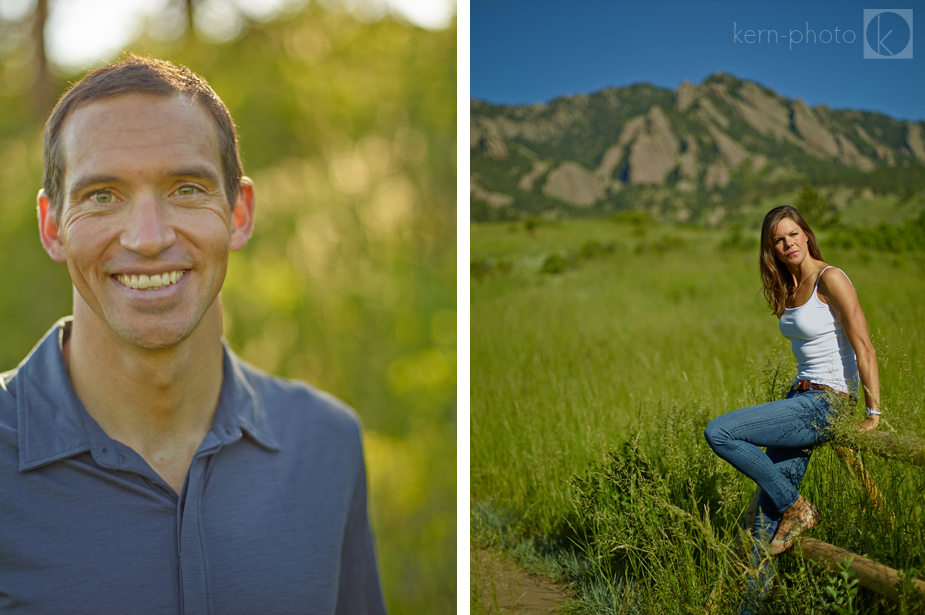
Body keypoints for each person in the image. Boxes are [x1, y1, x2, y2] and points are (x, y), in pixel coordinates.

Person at [0, 56, 386, 614]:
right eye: (102, 195)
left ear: (239, 212)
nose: (149, 237)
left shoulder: (327, 444)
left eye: (186, 188)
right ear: (53, 226)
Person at [703, 206, 881, 605]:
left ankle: (798, 507)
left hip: (827, 402)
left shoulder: (830, 277)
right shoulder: (791, 284)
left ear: (806, 234)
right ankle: (749, 606)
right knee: (766, 518)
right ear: (773, 249)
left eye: (792, 235)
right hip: (799, 398)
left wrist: (873, 413)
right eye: (778, 240)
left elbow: (863, 344)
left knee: (720, 431)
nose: (787, 244)